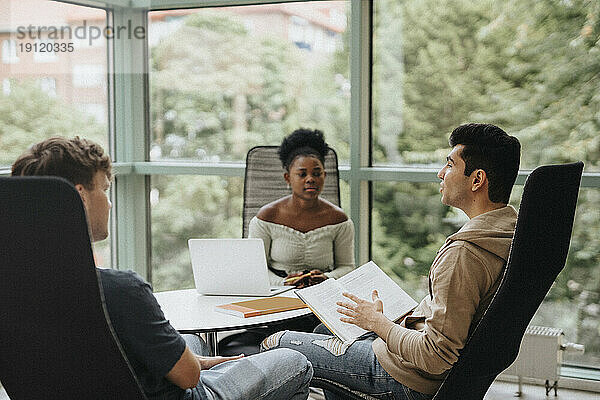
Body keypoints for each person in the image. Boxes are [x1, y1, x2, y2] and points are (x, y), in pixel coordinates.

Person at [11, 136, 313, 400]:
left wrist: (194, 361)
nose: (110, 203)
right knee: (293, 361)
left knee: (192, 343)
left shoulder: (14, 290)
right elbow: (189, 379)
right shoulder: (119, 290)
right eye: (104, 190)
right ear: (79, 197)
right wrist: (196, 366)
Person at [260, 123, 521, 399]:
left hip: (407, 378)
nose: (440, 174)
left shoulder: (464, 254)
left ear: (477, 180)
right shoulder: (509, 234)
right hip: (424, 366)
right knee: (328, 327)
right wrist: (390, 320)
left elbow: (436, 356)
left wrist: (378, 323)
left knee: (275, 344)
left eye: (450, 165)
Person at [249, 128, 355, 289]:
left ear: (324, 176)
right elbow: (255, 269)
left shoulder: (338, 219)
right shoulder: (267, 216)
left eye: (317, 173)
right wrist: (284, 283)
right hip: (277, 293)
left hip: (323, 293)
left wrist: (327, 278)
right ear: (288, 178)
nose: (310, 179)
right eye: (302, 174)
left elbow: (347, 267)